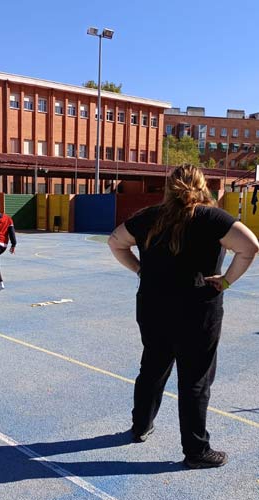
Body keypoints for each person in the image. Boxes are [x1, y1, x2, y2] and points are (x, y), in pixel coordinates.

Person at [107, 165, 259, 469]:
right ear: (202, 186)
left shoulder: (148, 217)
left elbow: (115, 242)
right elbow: (250, 246)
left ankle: (141, 426)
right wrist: (226, 281)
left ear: (169, 188)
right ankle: (196, 450)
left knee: (152, 366)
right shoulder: (213, 218)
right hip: (197, 309)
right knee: (195, 379)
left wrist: (140, 269)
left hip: (153, 307)